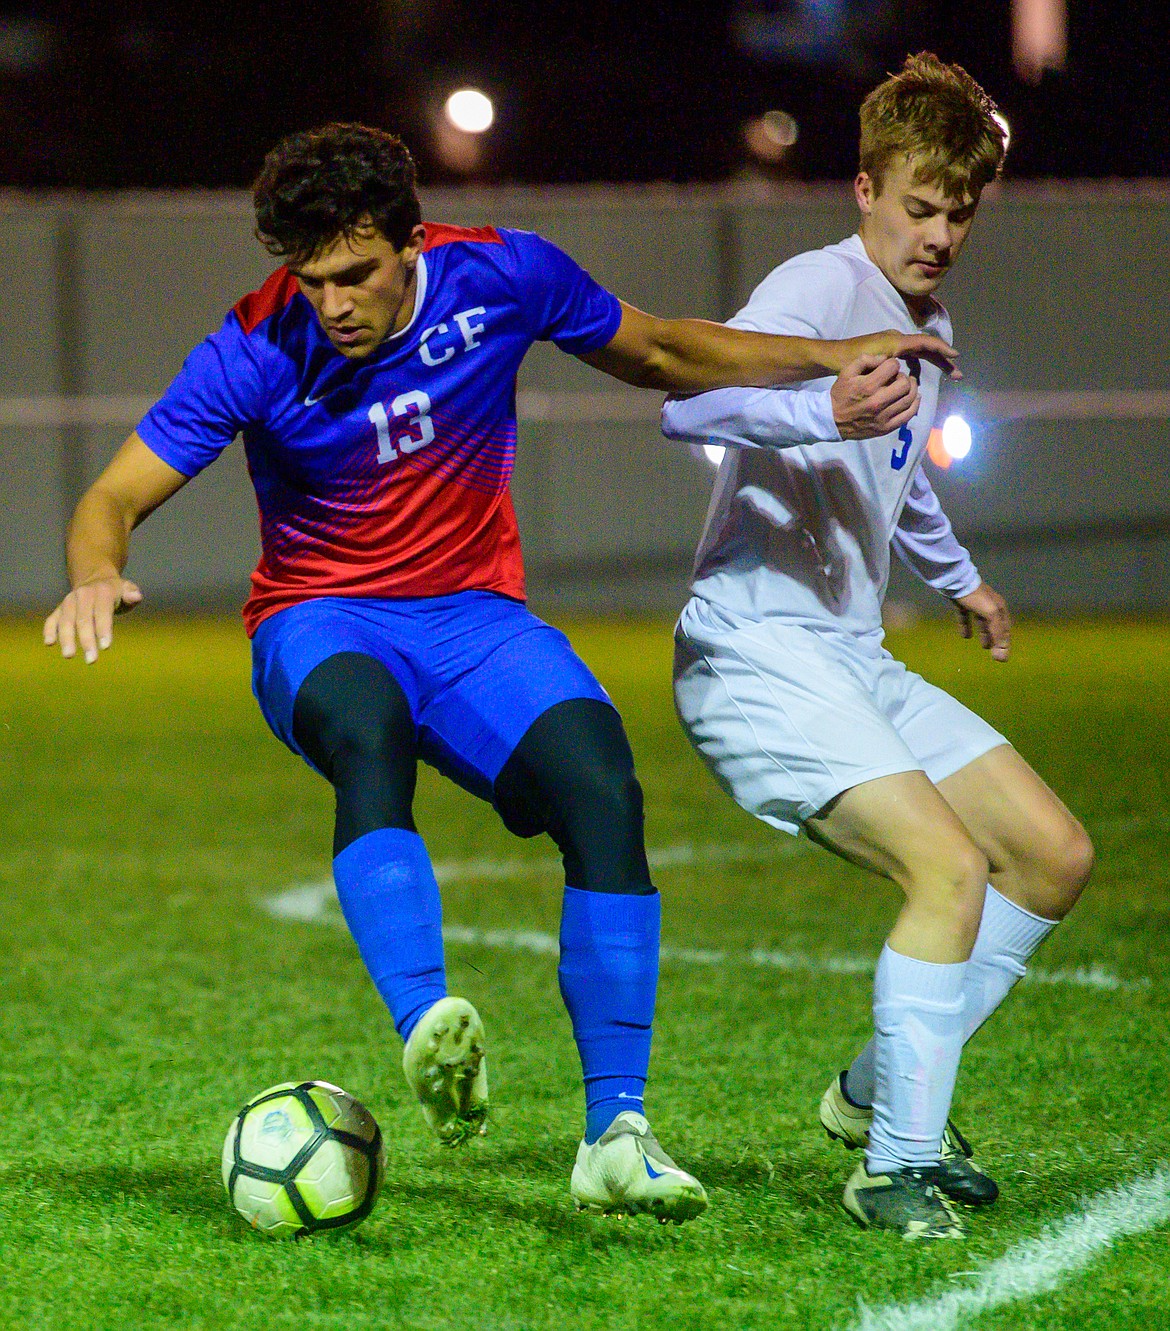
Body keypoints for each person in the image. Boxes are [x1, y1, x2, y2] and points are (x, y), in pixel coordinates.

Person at [43, 121, 955, 1225]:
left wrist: (826, 358)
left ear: (409, 239)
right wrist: (97, 571)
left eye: (356, 273)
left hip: (476, 621)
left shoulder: (503, 276)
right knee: (367, 736)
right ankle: (430, 1022)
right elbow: (113, 496)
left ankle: (616, 1132)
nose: (333, 302)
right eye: (311, 277)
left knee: (602, 789)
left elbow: (664, 350)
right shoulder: (253, 344)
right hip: (320, 620)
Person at [663, 53, 1093, 1239]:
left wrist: (965, 581)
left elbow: (894, 485)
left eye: (960, 211)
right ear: (865, 190)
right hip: (753, 652)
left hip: (849, 654)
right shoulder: (814, 286)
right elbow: (686, 403)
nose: (941, 232)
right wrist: (820, 404)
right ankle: (894, 1164)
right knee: (948, 870)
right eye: (920, 206)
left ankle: (868, 1093)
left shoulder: (927, 320)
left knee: (1050, 855)